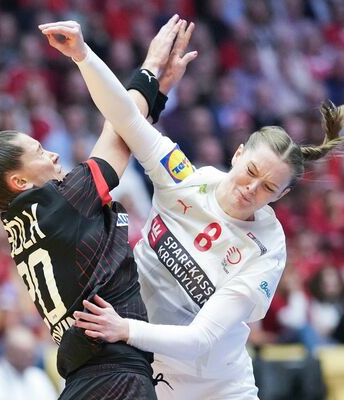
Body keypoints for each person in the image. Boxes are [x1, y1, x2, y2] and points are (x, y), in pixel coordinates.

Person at [39, 17, 344, 399]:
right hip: (143, 371)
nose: (250, 189)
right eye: (250, 172)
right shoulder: (185, 177)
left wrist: (124, 329)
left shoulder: (267, 251)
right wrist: (83, 55)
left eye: (267, 187)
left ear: (281, 197)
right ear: (236, 154)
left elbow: (201, 338)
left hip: (216, 387)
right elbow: (127, 119)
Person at [0, 17, 191, 399]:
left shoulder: (19, 223)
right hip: (116, 377)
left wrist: (156, 92)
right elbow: (120, 130)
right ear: (20, 181)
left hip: (85, 380)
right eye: (41, 153)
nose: (55, 154)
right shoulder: (59, 200)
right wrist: (151, 69)